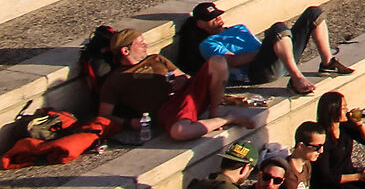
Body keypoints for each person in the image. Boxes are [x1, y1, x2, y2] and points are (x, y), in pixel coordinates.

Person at [89, 25, 252, 141]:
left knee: (217, 60)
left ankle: (215, 112)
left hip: (189, 92)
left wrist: (181, 80)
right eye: (140, 43)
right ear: (125, 51)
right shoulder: (115, 79)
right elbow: (104, 115)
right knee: (179, 132)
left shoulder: (155, 58)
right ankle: (228, 119)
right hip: (168, 109)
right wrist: (130, 122)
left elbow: (183, 76)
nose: (146, 45)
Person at [177, 0, 348, 108]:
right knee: (278, 29)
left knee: (313, 12)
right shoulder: (208, 44)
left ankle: (327, 63)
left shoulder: (238, 28)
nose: (217, 19)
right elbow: (233, 61)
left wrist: (273, 48)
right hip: (257, 71)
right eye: (211, 19)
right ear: (200, 25)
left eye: (217, 15)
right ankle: (296, 78)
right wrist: (269, 48)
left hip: (276, 59)